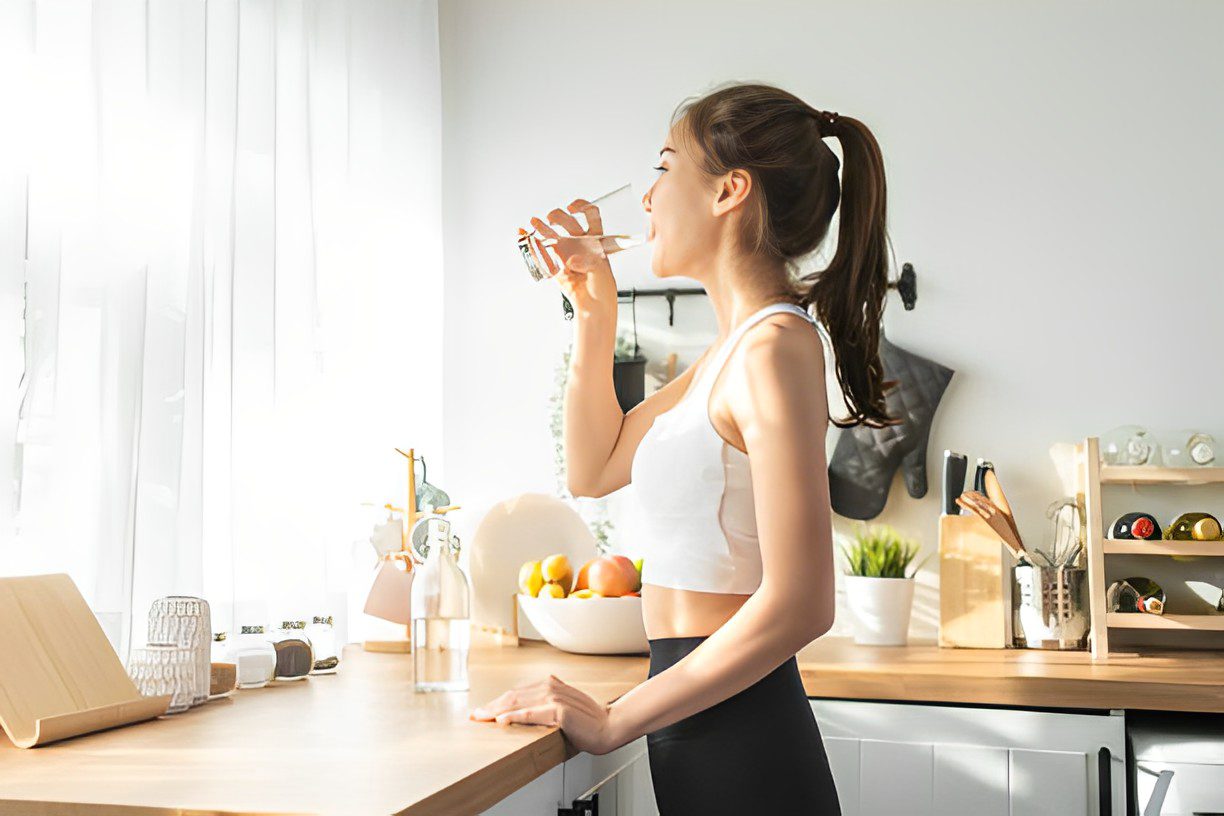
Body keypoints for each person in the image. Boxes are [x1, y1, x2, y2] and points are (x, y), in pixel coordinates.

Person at [470, 80, 897, 814]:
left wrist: (612, 720)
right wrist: (594, 313)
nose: (646, 197)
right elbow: (595, 467)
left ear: (730, 190)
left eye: (665, 167)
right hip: (702, 724)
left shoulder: (774, 348)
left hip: (745, 741)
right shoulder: (729, 353)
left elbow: (802, 603)